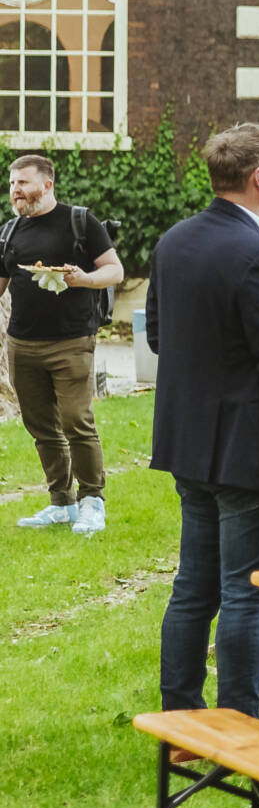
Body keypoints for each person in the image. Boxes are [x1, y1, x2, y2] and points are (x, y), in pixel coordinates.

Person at [149, 124, 259, 717]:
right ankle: (240, 726)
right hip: (252, 452)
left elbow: (157, 335)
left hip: (190, 444)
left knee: (193, 589)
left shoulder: (174, 241)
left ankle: (181, 716)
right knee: (247, 595)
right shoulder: (257, 255)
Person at [3, 152, 123, 536]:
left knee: (76, 421)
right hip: (22, 344)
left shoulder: (80, 222)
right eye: (11, 183)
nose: (15, 190)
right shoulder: (9, 232)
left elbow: (114, 270)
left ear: (47, 184)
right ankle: (62, 503)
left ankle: (93, 502)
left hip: (71, 341)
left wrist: (83, 278)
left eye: (23, 182)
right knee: (41, 427)